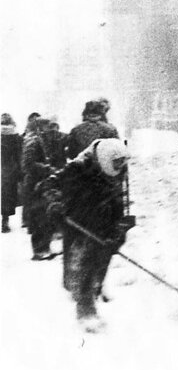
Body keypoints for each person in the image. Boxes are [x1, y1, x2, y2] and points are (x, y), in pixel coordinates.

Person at [41, 138, 132, 330]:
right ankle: (86, 309)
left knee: (103, 258)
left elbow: (119, 198)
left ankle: (93, 290)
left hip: (105, 220)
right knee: (85, 262)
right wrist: (55, 201)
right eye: (116, 163)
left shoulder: (118, 168)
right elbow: (50, 183)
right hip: (79, 221)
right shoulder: (77, 168)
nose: (119, 167)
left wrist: (118, 229)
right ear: (105, 159)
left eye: (121, 163)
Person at [21, 117, 59, 258]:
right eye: (47, 126)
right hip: (35, 184)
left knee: (43, 216)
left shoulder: (36, 139)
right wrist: (47, 168)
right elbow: (28, 164)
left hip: (38, 182)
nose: (49, 129)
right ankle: (40, 250)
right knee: (39, 217)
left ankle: (44, 248)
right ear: (39, 127)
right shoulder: (33, 140)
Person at [1, 113, 23, 233]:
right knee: (6, 197)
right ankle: (4, 222)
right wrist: (20, 172)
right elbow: (19, 156)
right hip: (9, 171)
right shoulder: (15, 137)